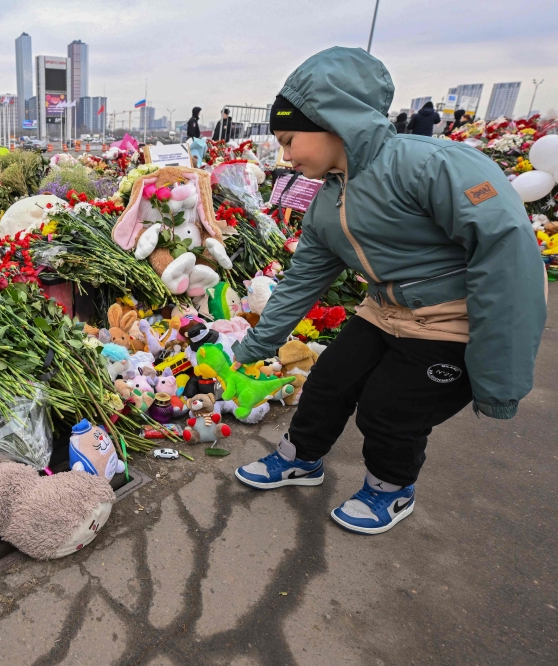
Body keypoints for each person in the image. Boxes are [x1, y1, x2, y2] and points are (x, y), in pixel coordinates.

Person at [232, 47, 546, 535]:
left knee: (390, 410)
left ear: (334, 121)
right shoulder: (327, 201)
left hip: (451, 320)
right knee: (329, 381)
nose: (286, 155)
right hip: (383, 311)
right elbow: (302, 282)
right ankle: (301, 458)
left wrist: (500, 375)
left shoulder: (432, 164)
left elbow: (507, 254)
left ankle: (390, 488)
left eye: (290, 140)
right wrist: (254, 346)